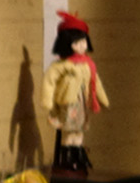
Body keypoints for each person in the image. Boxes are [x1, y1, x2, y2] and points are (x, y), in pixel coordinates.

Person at [40, 10, 107, 172]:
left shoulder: (88, 64)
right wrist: (47, 101)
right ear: (66, 44)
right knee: (69, 132)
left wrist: (103, 99)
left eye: (83, 42)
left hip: (83, 102)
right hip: (68, 102)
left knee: (80, 131)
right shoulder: (61, 65)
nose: (82, 46)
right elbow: (49, 81)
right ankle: (67, 159)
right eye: (77, 43)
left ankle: (78, 157)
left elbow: (95, 81)